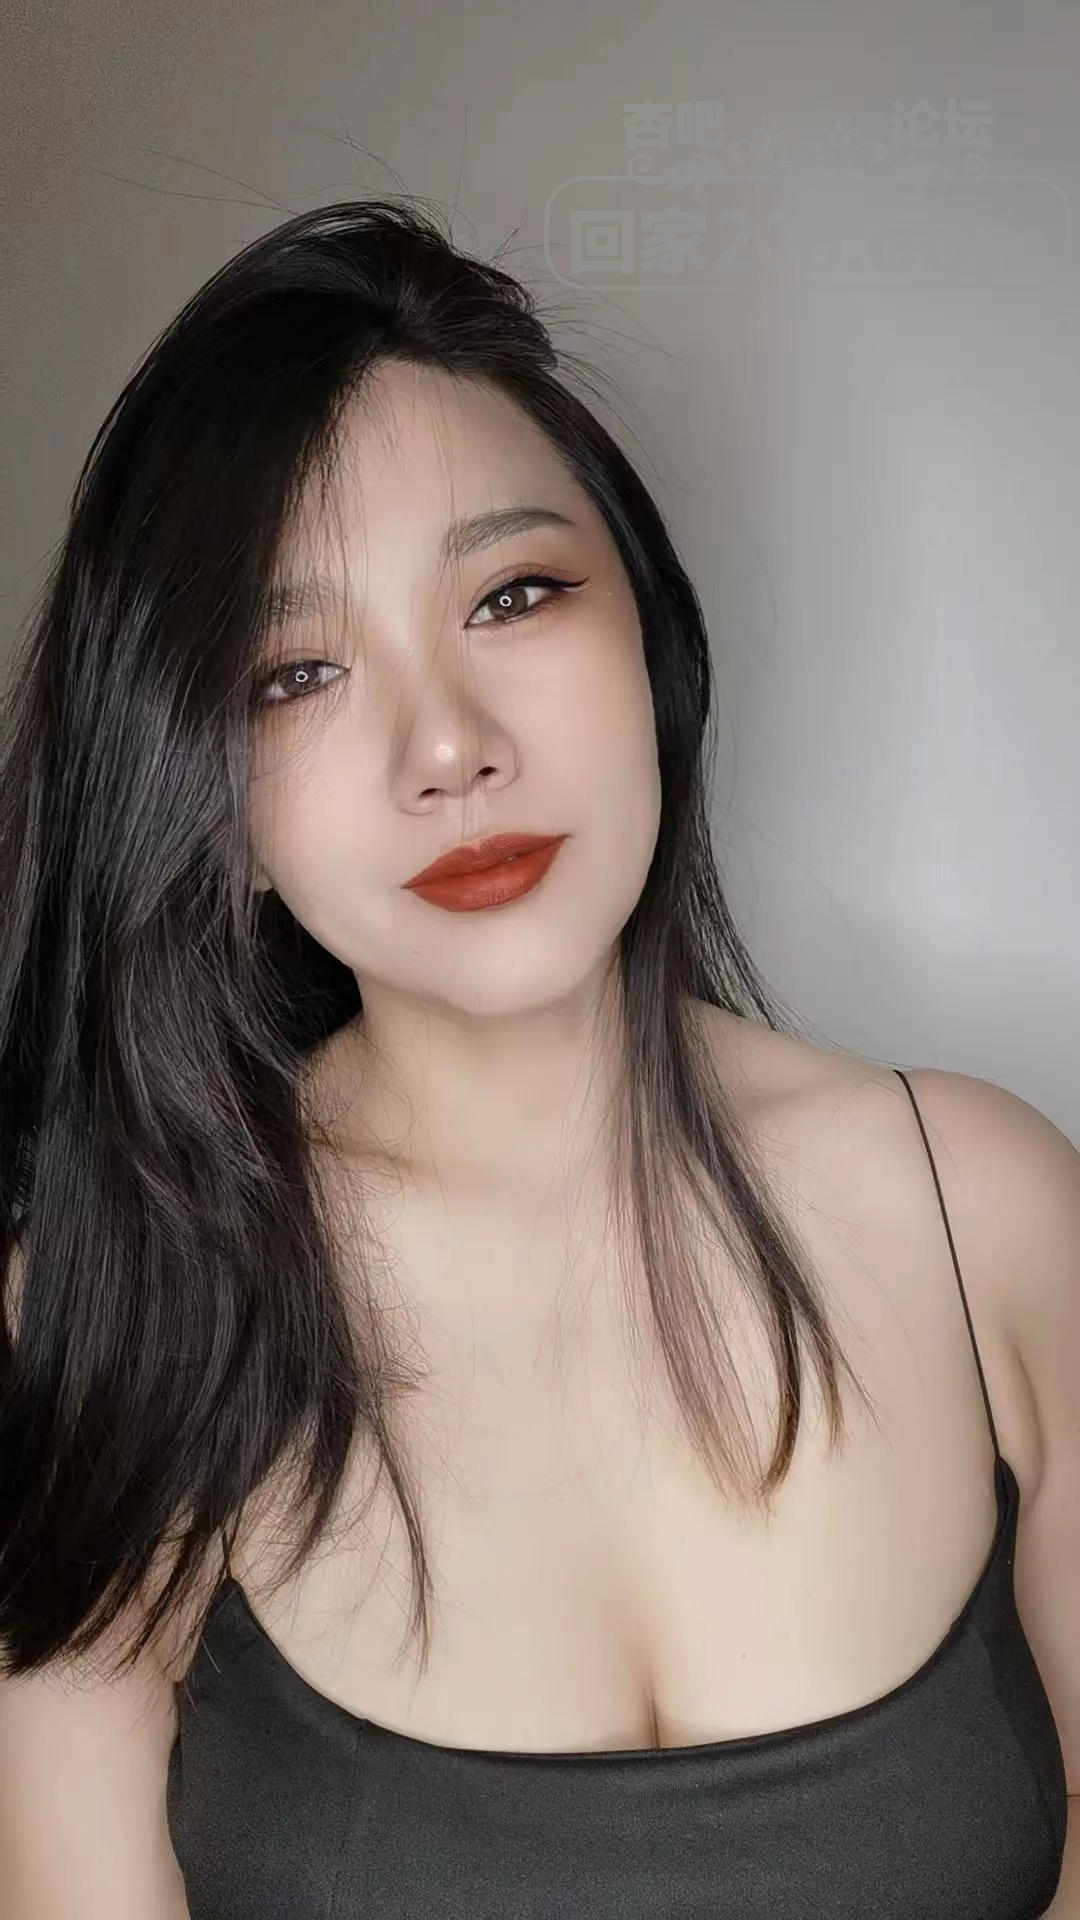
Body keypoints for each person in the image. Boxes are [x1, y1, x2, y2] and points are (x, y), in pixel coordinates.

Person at [0, 198, 1074, 1919]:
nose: (446, 747)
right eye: (293, 674)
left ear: (648, 635)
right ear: (201, 791)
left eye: (512, 595)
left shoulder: (991, 1211)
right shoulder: (111, 1304)